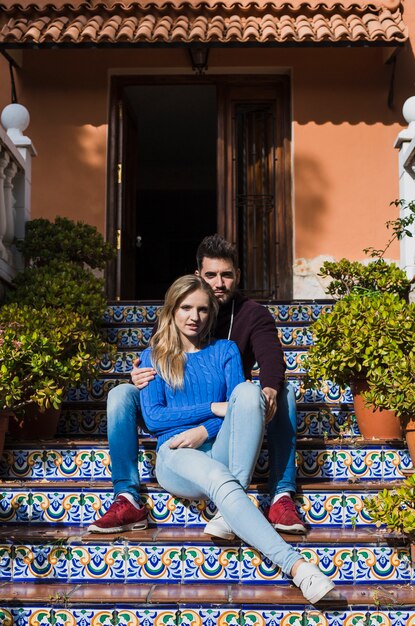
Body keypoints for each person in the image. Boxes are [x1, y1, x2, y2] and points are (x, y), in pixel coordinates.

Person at [96, 274, 334, 605]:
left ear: (213, 313)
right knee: (222, 479)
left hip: (217, 446)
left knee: (249, 392)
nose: (195, 317)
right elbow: (154, 419)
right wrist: (211, 409)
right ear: (172, 311)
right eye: (186, 308)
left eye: (203, 310)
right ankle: (297, 567)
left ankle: (228, 512)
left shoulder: (226, 350)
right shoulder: (154, 357)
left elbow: (240, 410)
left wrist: (204, 431)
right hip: (176, 454)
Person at [88, 234, 303, 537]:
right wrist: (138, 377)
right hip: (195, 407)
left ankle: (281, 493)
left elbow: (271, 359)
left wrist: (266, 391)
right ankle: (128, 496)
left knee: (284, 392)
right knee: (121, 394)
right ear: (198, 275)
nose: (219, 283)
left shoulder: (252, 315)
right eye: (211, 275)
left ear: (236, 276)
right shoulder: (184, 307)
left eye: (226, 275)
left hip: (232, 406)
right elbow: (159, 357)